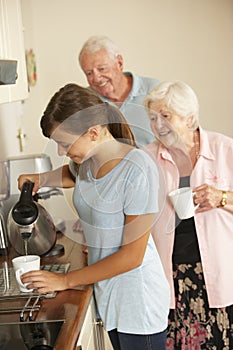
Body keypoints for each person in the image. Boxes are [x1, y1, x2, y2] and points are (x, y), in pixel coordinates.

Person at [18, 83, 170, 350]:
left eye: (64, 144)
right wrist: (40, 179)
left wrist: (64, 280)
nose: (61, 152)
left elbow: (132, 256)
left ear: (93, 132)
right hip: (109, 293)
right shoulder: (88, 161)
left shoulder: (138, 170)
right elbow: (71, 175)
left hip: (137, 302)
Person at [144, 81, 233, 349]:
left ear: (190, 118)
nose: (158, 125)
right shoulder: (147, 158)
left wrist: (222, 198)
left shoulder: (224, 149)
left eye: (166, 116)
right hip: (171, 278)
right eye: (152, 118)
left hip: (221, 272)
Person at [78, 35, 160, 147]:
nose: (96, 78)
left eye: (102, 69)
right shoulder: (85, 100)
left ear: (119, 63)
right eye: (89, 73)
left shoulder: (155, 90)